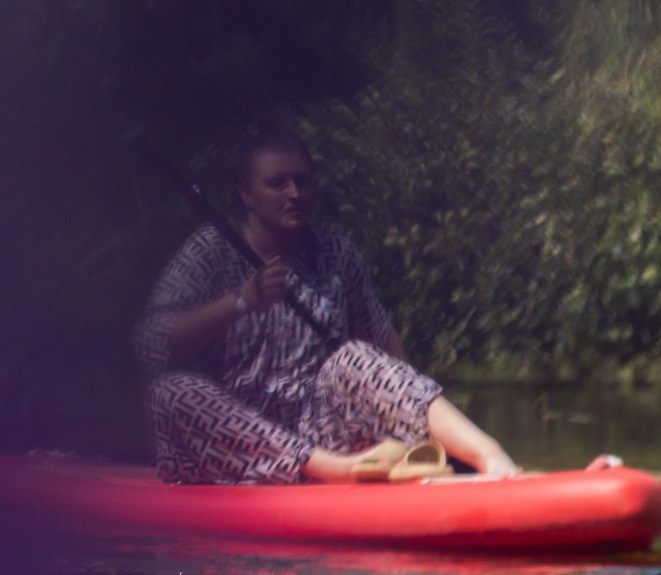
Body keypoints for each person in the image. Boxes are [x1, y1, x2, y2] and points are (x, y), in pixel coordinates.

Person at [136, 124, 520, 485]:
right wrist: (241, 301)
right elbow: (152, 344)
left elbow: (384, 347)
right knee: (170, 391)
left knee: (353, 356)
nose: (293, 194)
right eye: (277, 184)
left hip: (318, 428)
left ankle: (490, 456)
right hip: (234, 446)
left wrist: (405, 420)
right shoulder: (210, 252)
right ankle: (338, 470)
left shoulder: (335, 253)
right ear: (246, 193)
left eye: (302, 182)